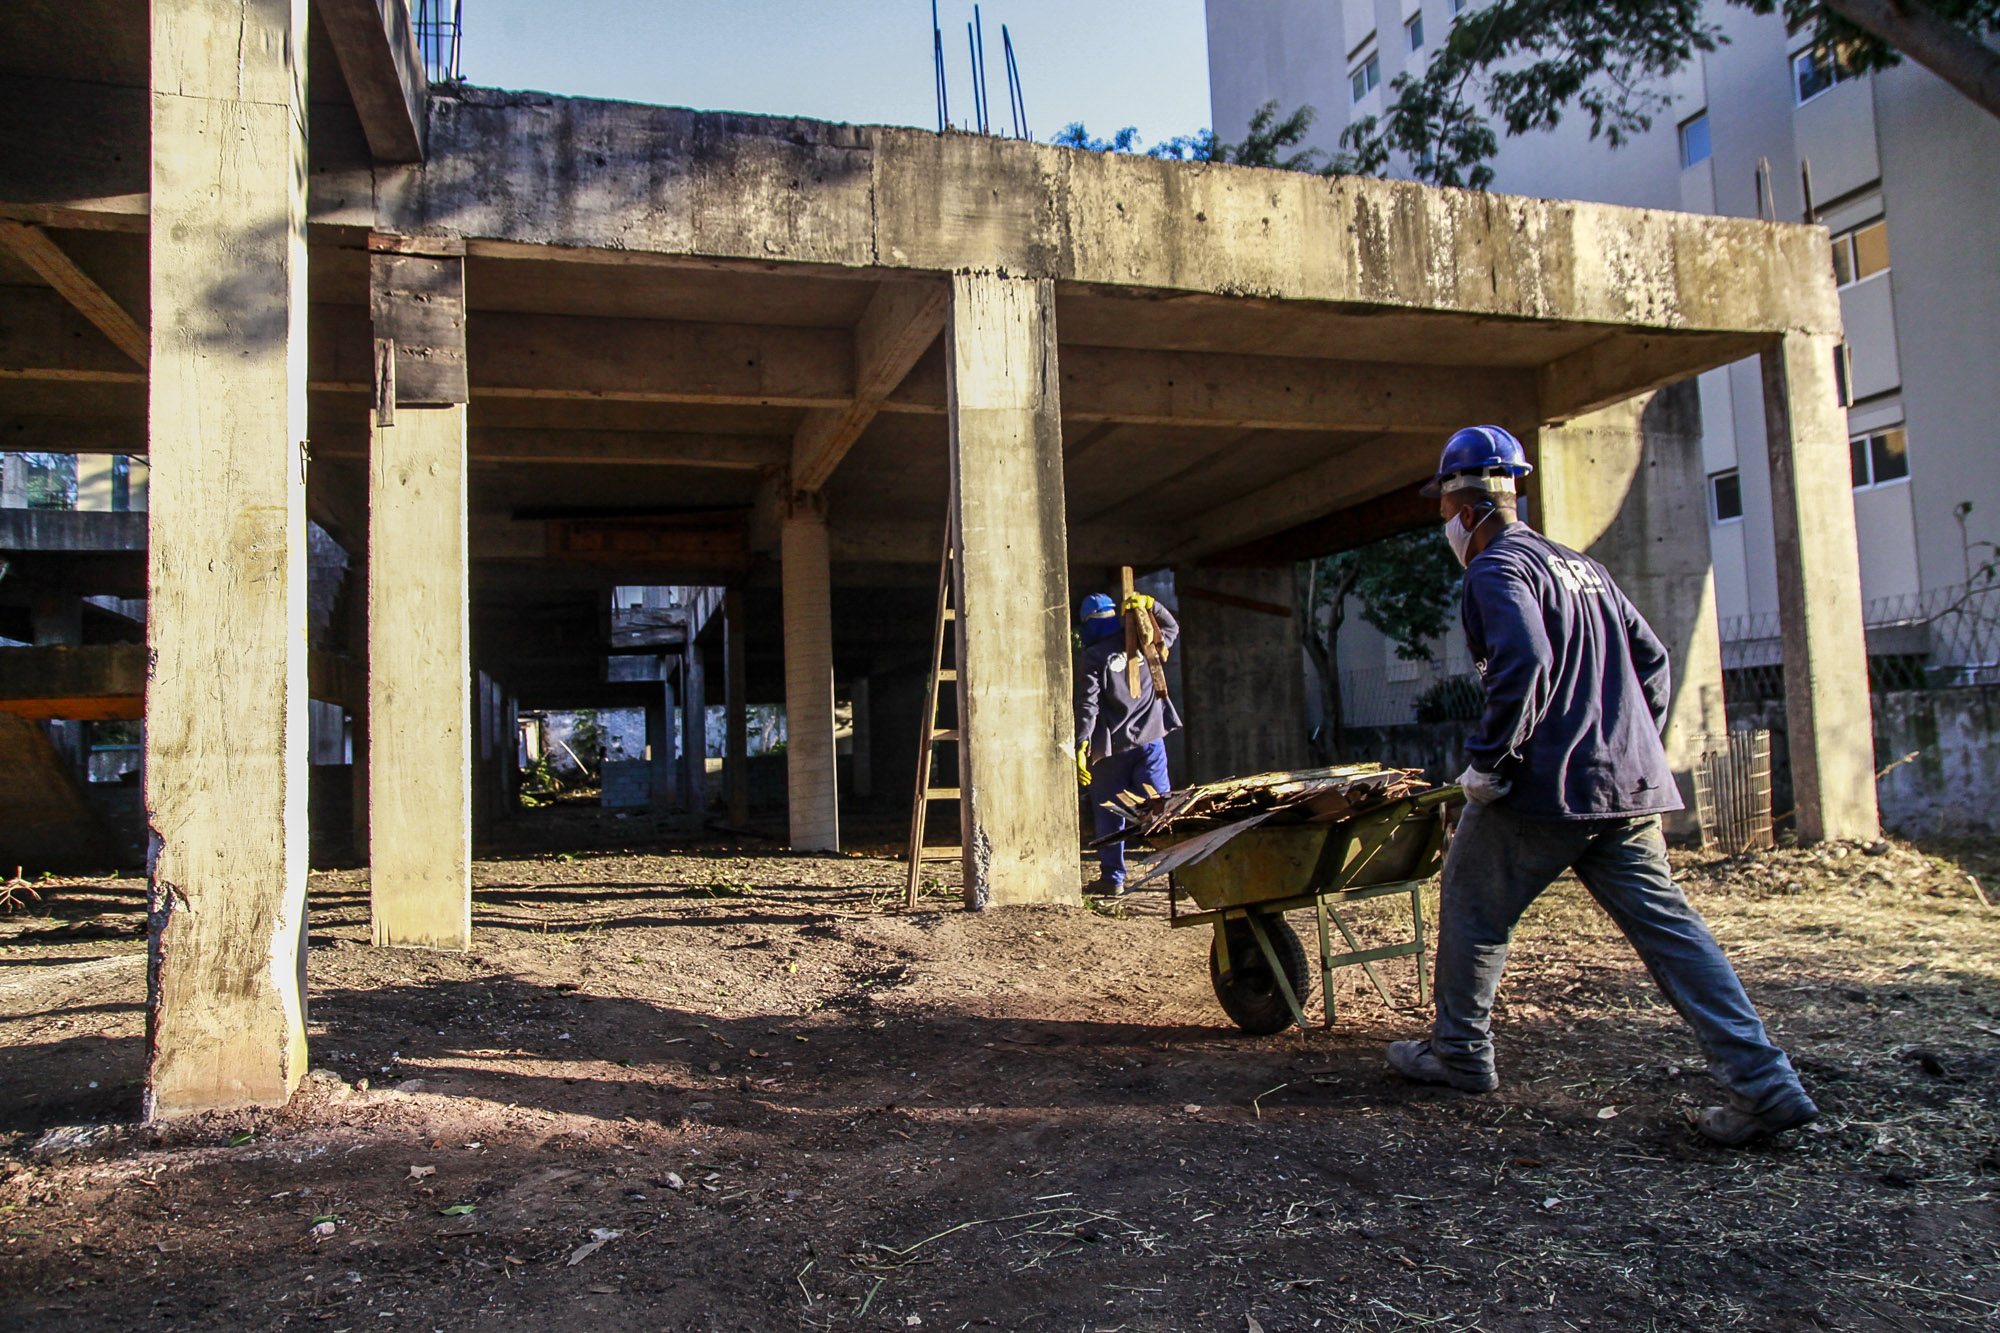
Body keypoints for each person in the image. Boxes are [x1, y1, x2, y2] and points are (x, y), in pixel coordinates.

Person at [1385, 425, 1819, 1147]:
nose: (1446, 528)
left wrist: (1490, 762)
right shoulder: (1580, 566)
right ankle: (1766, 1082)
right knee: (1673, 934)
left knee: (1471, 901)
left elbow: (1521, 658)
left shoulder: (1496, 571)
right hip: (1628, 787)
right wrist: (1621, 740)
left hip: (1546, 790)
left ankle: (1458, 1053)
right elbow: (1652, 657)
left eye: (1443, 513)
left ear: (1466, 509)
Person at [1074, 590, 1181, 897]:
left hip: (1112, 752)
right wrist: (1153, 606)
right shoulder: (1144, 642)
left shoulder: (1093, 656)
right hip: (1151, 742)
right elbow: (1171, 629)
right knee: (1164, 810)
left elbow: (1088, 706)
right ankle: (1181, 875)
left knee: (1110, 813)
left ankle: (1113, 878)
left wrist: (1082, 743)